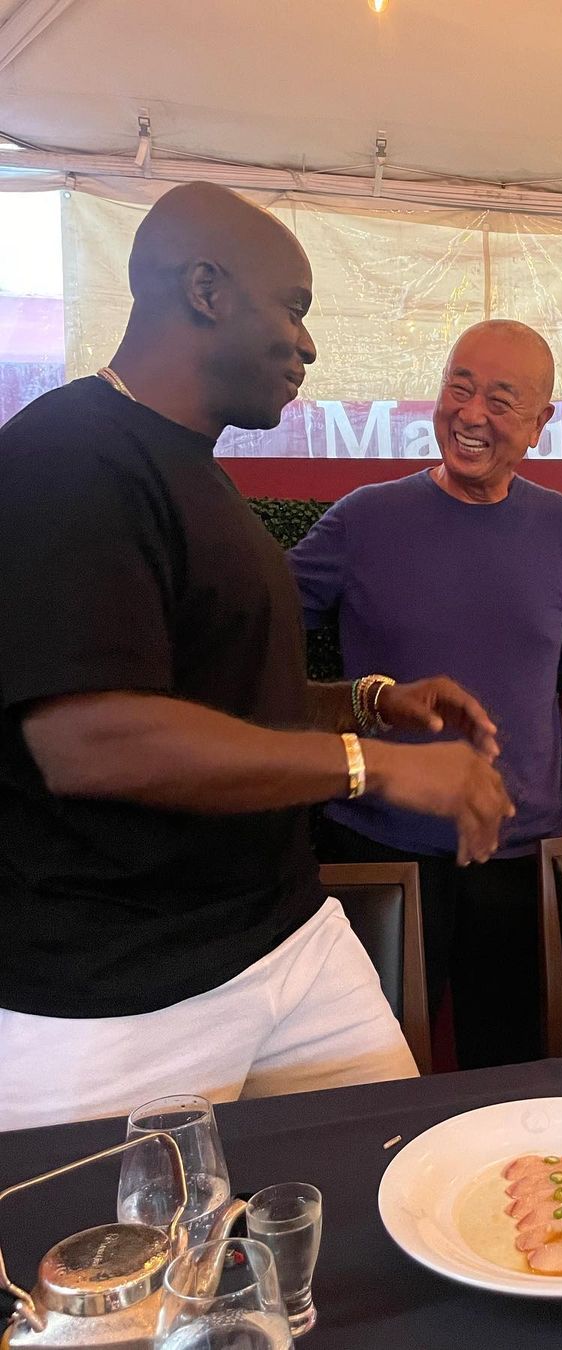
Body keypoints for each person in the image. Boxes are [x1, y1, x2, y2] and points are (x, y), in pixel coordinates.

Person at [0, 183, 515, 1131]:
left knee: (391, 1175)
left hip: (287, 940)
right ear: (206, 290)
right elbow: (92, 739)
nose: (308, 345)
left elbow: (222, 700)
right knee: (130, 1237)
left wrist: (369, 704)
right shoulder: (67, 457)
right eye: (295, 308)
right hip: (115, 992)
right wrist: (374, 766)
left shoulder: (194, 471)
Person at [288, 319, 562, 1068]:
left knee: (513, 1070)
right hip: (381, 850)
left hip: (523, 850)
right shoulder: (363, 519)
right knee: (369, 1069)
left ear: (540, 422)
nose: (471, 415)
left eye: (500, 400)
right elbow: (255, 631)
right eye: (458, 389)